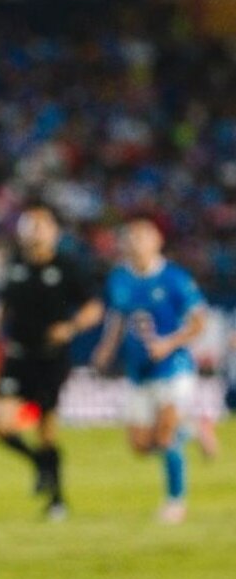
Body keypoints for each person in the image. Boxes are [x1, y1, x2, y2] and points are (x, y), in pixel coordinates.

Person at [0, 203, 102, 519]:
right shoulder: (15, 265)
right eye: (29, 225)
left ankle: (58, 501)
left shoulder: (67, 266)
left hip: (51, 359)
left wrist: (71, 327)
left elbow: (94, 307)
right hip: (18, 355)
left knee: (47, 431)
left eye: (41, 226)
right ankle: (39, 463)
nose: (34, 232)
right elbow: (3, 302)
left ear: (54, 233)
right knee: (0, 426)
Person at [91, 216, 206, 524]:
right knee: (141, 445)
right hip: (139, 371)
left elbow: (199, 321)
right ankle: (191, 429)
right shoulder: (118, 279)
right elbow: (117, 319)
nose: (136, 243)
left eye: (143, 237)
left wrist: (169, 344)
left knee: (165, 434)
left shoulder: (175, 278)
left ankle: (175, 502)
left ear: (157, 241)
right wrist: (105, 349)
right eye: (130, 238)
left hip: (174, 367)